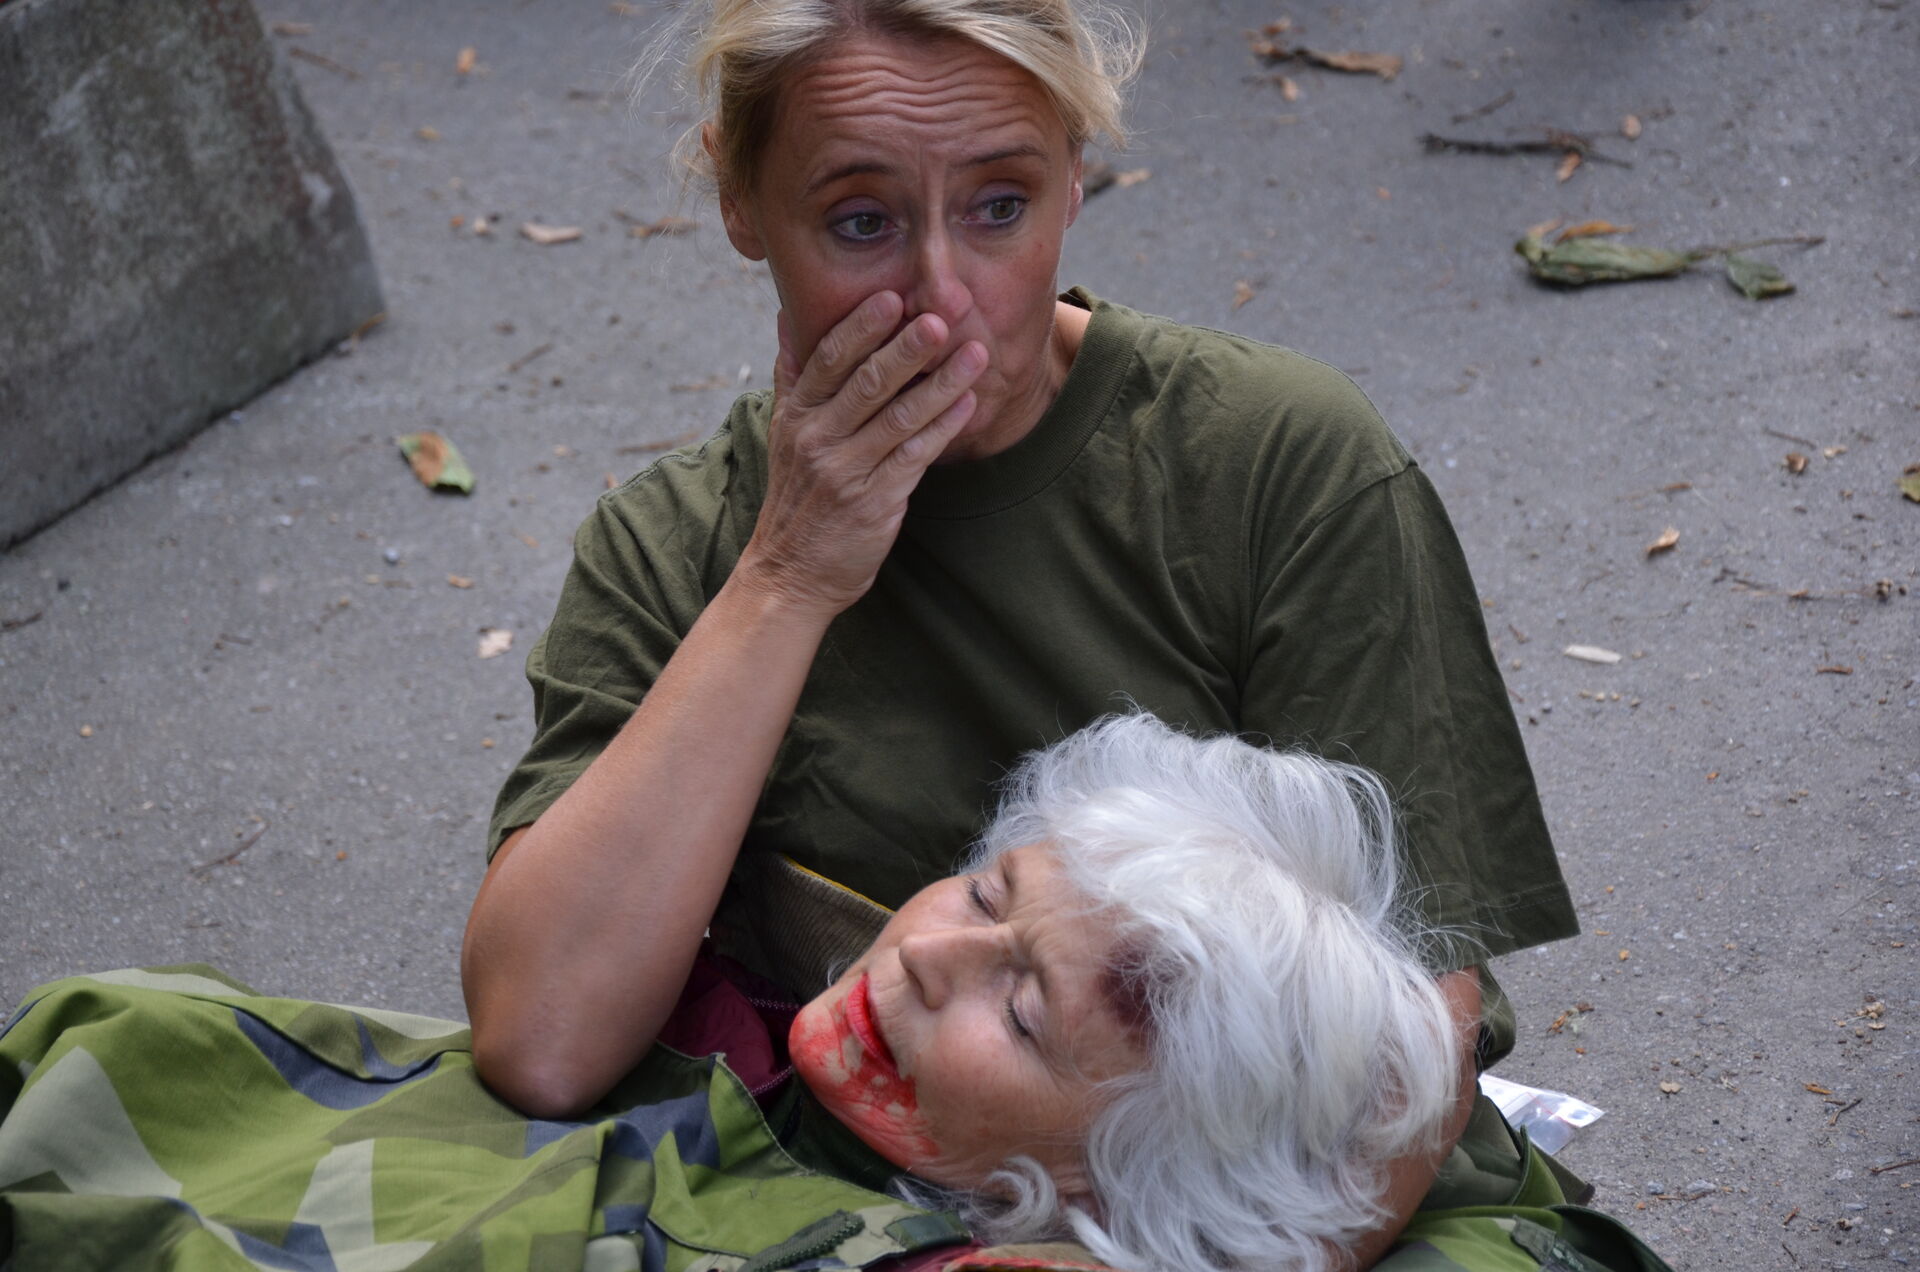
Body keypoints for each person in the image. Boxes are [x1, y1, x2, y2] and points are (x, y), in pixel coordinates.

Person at [463, 0, 1580, 1257]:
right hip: (857, 1192)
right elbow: (543, 1041)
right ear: (741, 200)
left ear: (1075, 176)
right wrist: (788, 577)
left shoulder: (1272, 463)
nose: (943, 299)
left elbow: (1404, 1057)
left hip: (1302, 1220)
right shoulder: (678, 551)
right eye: (862, 222)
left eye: (1001, 207)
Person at [4, 718, 1655, 1271]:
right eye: (987, 892)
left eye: (1025, 1016)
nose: (924, 952)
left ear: (1127, 1191)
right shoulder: (713, 1027)